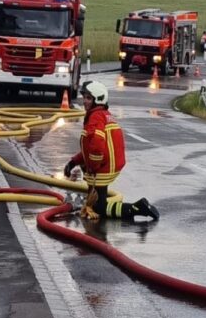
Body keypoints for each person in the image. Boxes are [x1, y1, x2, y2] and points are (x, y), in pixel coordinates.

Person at [64, 80, 159, 221]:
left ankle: (137, 208)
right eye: (84, 97)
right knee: (95, 203)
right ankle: (135, 207)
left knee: (98, 208)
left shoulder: (95, 117)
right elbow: (89, 149)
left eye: (89, 98)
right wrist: (73, 162)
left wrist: (93, 168)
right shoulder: (103, 114)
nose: (84, 101)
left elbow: (96, 147)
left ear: (98, 100)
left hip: (103, 168)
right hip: (108, 164)